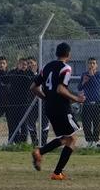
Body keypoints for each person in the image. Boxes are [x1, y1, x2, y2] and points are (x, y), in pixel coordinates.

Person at [30, 43, 86, 180]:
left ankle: (40, 152)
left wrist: (46, 98)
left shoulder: (46, 67)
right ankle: (56, 172)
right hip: (61, 107)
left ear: (56, 53)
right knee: (72, 139)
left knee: (65, 138)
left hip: (49, 107)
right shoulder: (66, 68)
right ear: (69, 54)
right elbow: (60, 89)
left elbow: (33, 87)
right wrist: (77, 98)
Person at [78, 57, 100, 147]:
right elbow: (79, 88)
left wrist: (92, 75)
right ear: (87, 65)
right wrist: (84, 81)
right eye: (90, 63)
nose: (91, 65)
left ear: (96, 65)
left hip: (96, 102)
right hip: (87, 102)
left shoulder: (99, 74)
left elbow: (97, 86)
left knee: (97, 123)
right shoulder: (84, 74)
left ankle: (95, 141)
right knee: (86, 123)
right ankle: (89, 141)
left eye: (93, 63)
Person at [7, 58, 30, 143]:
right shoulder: (12, 73)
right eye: (22, 64)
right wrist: (18, 71)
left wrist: (23, 72)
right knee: (14, 123)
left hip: (24, 102)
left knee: (23, 123)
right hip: (13, 102)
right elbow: (7, 79)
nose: (23, 66)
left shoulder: (28, 73)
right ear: (18, 64)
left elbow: (30, 81)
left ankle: (23, 142)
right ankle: (16, 141)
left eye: (25, 64)